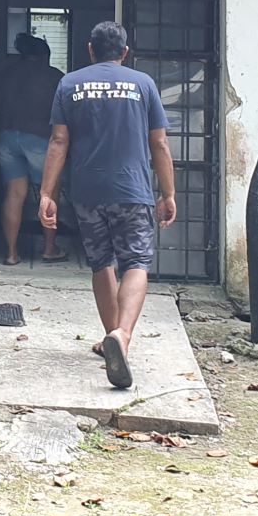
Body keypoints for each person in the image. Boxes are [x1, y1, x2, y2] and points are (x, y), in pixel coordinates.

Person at [37, 21, 175, 390]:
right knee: (137, 262)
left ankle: (111, 336)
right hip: (133, 190)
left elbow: (58, 141)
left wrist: (46, 193)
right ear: (125, 52)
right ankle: (123, 336)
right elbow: (159, 144)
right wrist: (169, 193)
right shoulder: (143, 84)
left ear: (90, 49)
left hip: (87, 191)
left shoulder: (69, 84)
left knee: (101, 263)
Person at [0, 32, 67, 266]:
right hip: (41, 139)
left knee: (14, 193)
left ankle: (11, 253)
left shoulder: (4, 76)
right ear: (43, 56)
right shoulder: (55, 77)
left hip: (7, 138)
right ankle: (49, 249)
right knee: (49, 193)